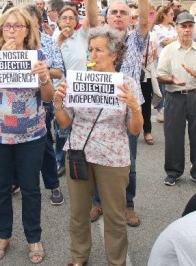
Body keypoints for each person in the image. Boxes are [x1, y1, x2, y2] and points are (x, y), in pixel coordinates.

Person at [54, 26, 143, 266]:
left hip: (113, 157)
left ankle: (116, 261)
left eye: (99, 50)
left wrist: (134, 107)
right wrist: (58, 103)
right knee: (79, 213)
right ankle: (79, 256)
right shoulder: (77, 80)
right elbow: (65, 123)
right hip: (78, 152)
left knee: (115, 215)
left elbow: (135, 129)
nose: (92, 55)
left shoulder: (127, 84)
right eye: (90, 49)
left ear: (114, 55)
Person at [0, 7, 54, 264]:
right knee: (1, 188)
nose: (12, 30)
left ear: (27, 31)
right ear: (1, 31)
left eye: (18, 26)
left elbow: (48, 97)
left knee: (31, 188)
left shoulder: (38, 56)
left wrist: (44, 78)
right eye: (7, 26)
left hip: (31, 134)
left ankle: (34, 237)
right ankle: (3, 235)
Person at [84, 0, 149, 227]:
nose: (119, 16)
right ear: (107, 17)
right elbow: (89, 19)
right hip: (99, 106)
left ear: (130, 18)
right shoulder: (98, 40)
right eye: (114, 12)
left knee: (128, 160)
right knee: (98, 155)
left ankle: (128, 204)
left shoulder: (136, 39)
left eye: (124, 12)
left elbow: (145, 20)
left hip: (129, 109)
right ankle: (97, 201)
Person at [157, 12, 196, 188]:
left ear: (194, 28)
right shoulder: (168, 50)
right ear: (177, 28)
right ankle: (173, 172)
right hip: (175, 96)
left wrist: (195, 73)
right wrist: (170, 79)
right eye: (183, 26)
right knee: (173, 136)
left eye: (190, 26)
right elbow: (160, 75)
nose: (187, 30)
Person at [21, 3, 65, 205]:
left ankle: (53, 185)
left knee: (45, 145)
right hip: (15, 105)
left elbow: (59, 71)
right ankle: (16, 180)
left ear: (38, 21)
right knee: (15, 146)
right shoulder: (12, 44)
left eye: (30, 21)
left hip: (41, 101)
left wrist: (43, 69)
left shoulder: (48, 42)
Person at [54, 5, 89, 175]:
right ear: (58, 21)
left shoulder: (82, 36)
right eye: (64, 18)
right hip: (59, 92)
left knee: (79, 127)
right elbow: (50, 62)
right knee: (61, 130)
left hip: (80, 91)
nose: (67, 21)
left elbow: (91, 16)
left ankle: (79, 160)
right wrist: (60, 40)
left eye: (71, 18)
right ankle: (60, 161)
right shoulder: (53, 38)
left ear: (76, 22)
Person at [152, 6, 178, 123]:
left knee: (170, 83)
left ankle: (168, 107)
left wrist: (174, 38)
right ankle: (160, 109)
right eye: (171, 14)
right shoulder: (157, 28)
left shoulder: (173, 28)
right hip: (161, 59)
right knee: (161, 85)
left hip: (173, 59)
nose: (173, 16)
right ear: (163, 15)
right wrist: (176, 38)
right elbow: (164, 42)